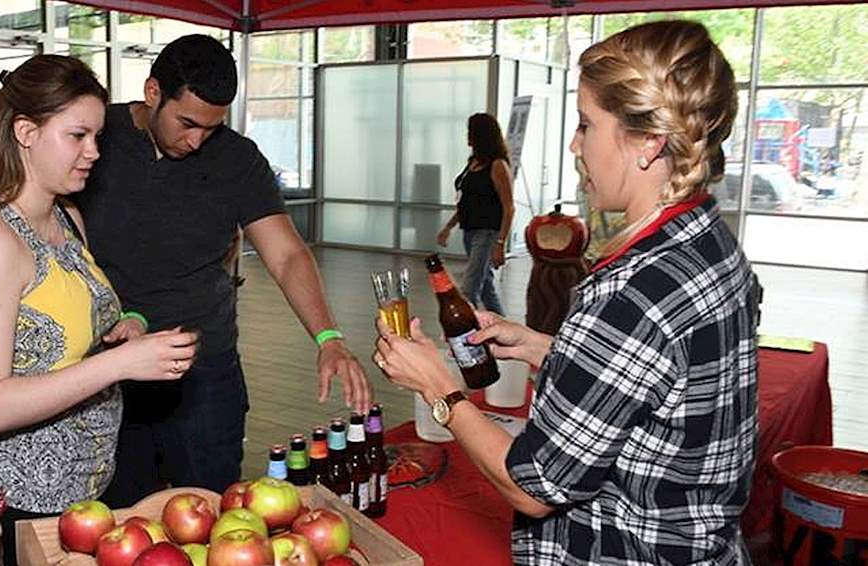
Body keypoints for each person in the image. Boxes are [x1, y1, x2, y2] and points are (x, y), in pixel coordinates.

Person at [374, 20, 762, 564]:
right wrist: (542, 346)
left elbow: (535, 488)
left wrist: (439, 388)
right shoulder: (709, 241)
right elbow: (663, 376)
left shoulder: (632, 292)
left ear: (648, 142)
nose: (576, 146)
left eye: (586, 125)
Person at [75, 34, 372, 506]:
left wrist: (328, 338)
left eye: (211, 129)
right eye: (187, 123)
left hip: (203, 376)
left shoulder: (237, 158)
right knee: (119, 523)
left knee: (215, 515)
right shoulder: (96, 140)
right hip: (108, 374)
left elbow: (287, 254)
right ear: (153, 93)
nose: (196, 142)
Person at [0, 55, 198, 566]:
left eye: (98, 137)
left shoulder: (67, 217)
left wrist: (124, 331)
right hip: (21, 506)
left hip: (90, 490)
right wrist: (121, 365)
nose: (93, 152)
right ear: (25, 132)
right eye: (78, 136)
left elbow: (68, 332)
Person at [436, 113, 515, 315]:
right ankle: (504, 328)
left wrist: (500, 243)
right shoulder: (472, 163)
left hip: (487, 233)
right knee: (486, 288)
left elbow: (509, 207)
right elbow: (465, 203)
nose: (467, 137)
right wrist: (448, 227)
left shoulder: (498, 165)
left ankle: (463, 338)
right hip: (469, 232)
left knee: (469, 288)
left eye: (471, 132)